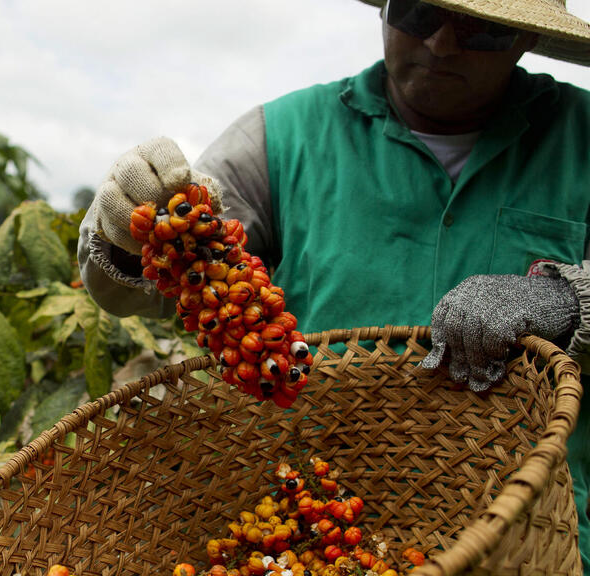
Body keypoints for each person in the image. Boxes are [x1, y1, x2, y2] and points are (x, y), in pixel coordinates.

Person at [78, 0, 590, 566]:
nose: (441, 44)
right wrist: (129, 233)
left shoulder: (582, 134)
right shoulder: (282, 135)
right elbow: (149, 285)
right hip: (321, 521)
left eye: (481, 28)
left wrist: (570, 297)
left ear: (524, 38)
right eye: (420, 13)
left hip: (535, 535)